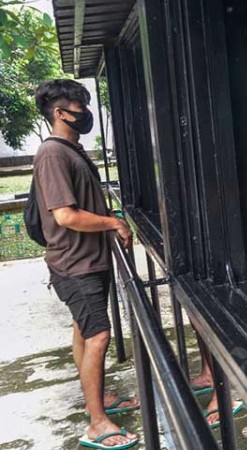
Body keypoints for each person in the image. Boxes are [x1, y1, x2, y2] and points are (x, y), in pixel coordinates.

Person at [33, 80, 139, 448]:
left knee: (83, 329)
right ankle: (97, 423)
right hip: (76, 265)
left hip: (87, 260)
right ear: (60, 114)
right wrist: (114, 222)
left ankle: (99, 399)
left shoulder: (70, 149)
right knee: (98, 335)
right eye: (77, 105)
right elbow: (65, 215)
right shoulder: (53, 154)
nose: (84, 111)